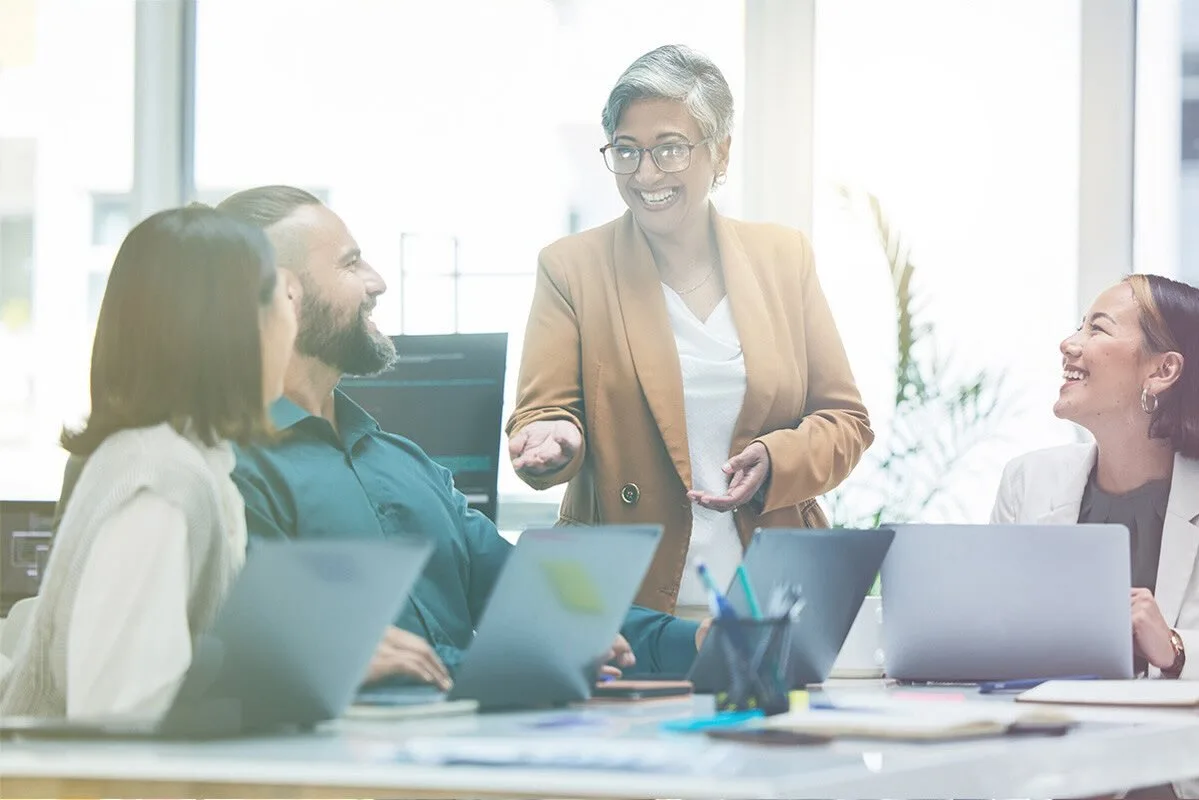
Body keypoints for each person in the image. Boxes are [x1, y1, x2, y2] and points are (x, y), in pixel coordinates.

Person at [217, 185, 708, 687]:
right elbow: (283, 651)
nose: (377, 282)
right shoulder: (231, 474)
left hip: (472, 746)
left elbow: (532, 593)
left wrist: (695, 642)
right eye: (350, 264)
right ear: (285, 295)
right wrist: (525, 656)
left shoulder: (404, 463)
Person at [506, 44, 873, 617]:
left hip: (773, 594)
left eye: (670, 149)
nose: (646, 174)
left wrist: (776, 458)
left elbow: (847, 422)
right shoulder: (571, 267)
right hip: (627, 603)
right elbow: (543, 413)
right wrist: (558, 438)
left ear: (720, 152)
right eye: (626, 151)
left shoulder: (783, 257)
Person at [0, 206, 298, 718]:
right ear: (233, 325)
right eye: (284, 297)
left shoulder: (183, 461)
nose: (294, 319)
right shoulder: (159, 483)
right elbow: (118, 724)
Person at [991, 274, 1197, 686]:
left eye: (1097, 328)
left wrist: (1174, 648)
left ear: (1163, 369)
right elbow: (991, 627)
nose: (1068, 344)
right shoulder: (1026, 481)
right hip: (1053, 735)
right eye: (1079, 325)